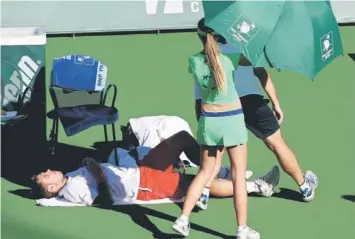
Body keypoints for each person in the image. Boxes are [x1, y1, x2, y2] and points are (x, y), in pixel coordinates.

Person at [194, 33, 318, 204]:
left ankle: (204, 194)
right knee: (277, 143)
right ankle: (305, 187)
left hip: (222, 107)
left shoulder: (200, 61)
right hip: (251, 101)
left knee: (216, 155)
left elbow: (199, 98)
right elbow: (262, 73)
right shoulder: (242, 50)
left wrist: (204, 125)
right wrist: (276, 104)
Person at [172, 20, 259, 239]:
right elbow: (253, 62)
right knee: (239, 175)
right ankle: (242, 229)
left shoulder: (193, 61)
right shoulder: (231, 56)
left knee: (204, 172)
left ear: (200, 37)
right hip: (232, 121)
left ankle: (183, 219)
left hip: (209, 122)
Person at [32, 131, 280, 206]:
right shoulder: (72, 189)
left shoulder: (70, 177)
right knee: (195, 184)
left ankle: (216, 169)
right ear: (52, 188)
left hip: (140, 170)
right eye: (46, 176)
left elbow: (95, 173)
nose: (48, 171)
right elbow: (104, 199)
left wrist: (89, 165)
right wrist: (95, 167)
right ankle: (257, 187)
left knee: (181, 138)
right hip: (140, 186)